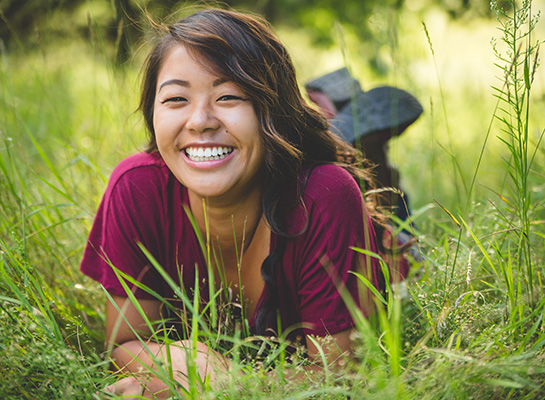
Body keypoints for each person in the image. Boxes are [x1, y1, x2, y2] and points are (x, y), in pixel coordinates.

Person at [80, 8, 395, 398]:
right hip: (258, 152)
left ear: (272, 111)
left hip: (349, 208)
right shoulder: (137, 186)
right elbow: (124, 344)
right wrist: (184, 363)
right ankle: (329, 105)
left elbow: (343, 380)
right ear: (153, 113)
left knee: (380, 195)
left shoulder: (324, 196)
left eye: (229, 96)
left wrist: (219, 379)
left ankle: (353, 128)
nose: (199, 121)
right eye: (176, 98)